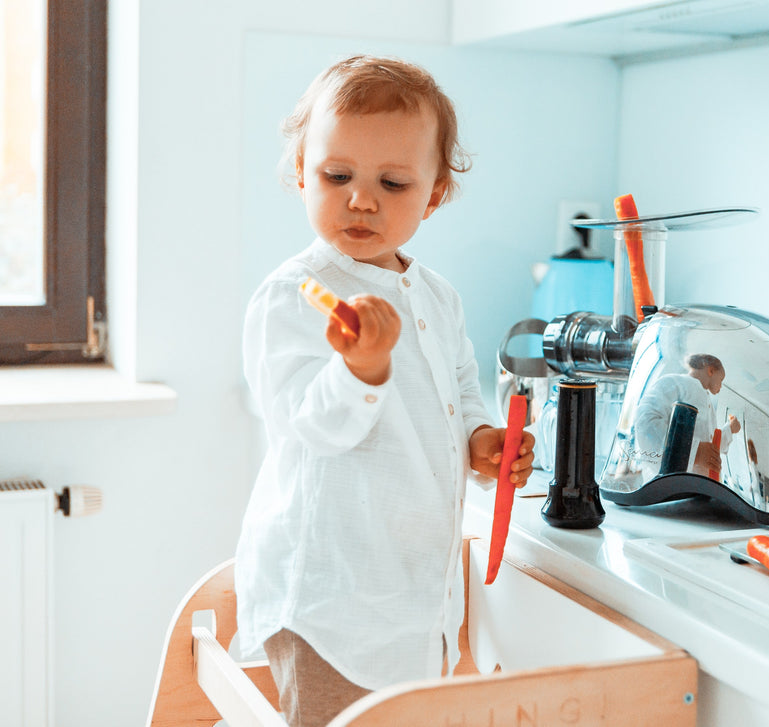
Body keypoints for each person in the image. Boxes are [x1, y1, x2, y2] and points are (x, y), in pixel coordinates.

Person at [234, 55, 534, 727]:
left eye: (392, 182)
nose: (361, 199)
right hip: (329, 599)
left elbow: (460, 389)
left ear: (432, 195)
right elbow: (303, 425)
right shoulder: (292, 295)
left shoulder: (437, 295)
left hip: (413, 591)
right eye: (336, 176)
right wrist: (359, 370)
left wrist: (482, 440)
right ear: (300, 175)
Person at [634, 353, 740, 478]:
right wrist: (694, 452)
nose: (721, 386)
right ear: (711, 370)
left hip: (702, 489)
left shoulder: (708, 403)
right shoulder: (674, 383)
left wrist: (729, 429)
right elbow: (646, 424)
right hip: (670, 489)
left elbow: (710, 446)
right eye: (721, 380)